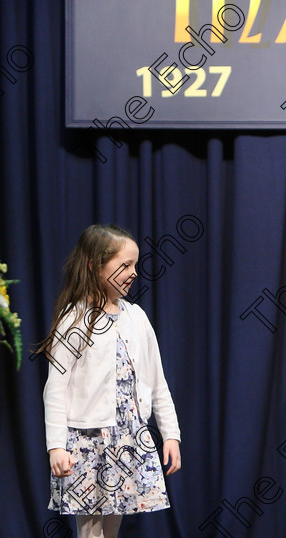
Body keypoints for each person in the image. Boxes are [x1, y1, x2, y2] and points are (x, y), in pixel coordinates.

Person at [38, 224, 181, 538]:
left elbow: (158, 383)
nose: (133, 273)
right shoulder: (74, 320)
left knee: (112, 529)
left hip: (128, 439)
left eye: (135, 265)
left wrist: (170, 434)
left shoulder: (137, 318)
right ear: (95, 266)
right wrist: (56, 447)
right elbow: (56, 390)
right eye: (124, 265)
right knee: (91, 531)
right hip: (87, 440)